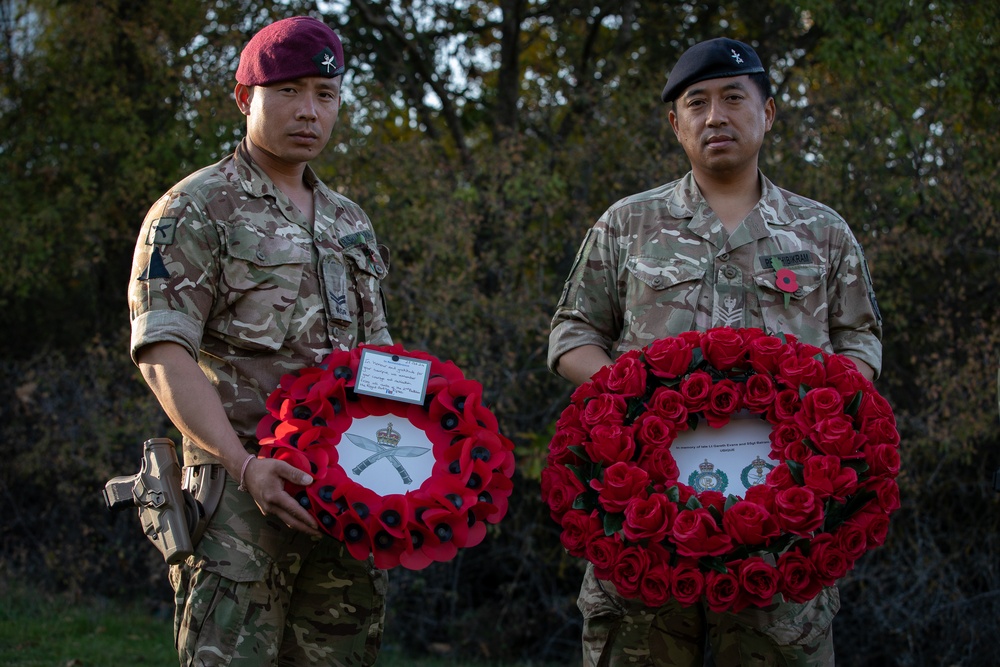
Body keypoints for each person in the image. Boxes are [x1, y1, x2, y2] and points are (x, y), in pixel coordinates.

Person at [548, 37, 882, 666]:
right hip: (646, 513)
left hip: (781, 524)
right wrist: (632, 398)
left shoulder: (821, 231)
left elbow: (859, 337)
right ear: (675, 124)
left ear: (769, 113)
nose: (715, 116)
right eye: (695, 104)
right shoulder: (628, 225)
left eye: (734, 98)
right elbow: (571, 335)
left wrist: (830, 409)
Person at [128, 16, 391, 667]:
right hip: (238, 510)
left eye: (325, 95)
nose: (310, 111)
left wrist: (416, 458)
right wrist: (245, 466)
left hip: (345, 502)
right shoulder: (195, 208)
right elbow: (163, 354)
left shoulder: (349, 220)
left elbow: (382, 358)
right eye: (289, 91)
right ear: (245, 98)